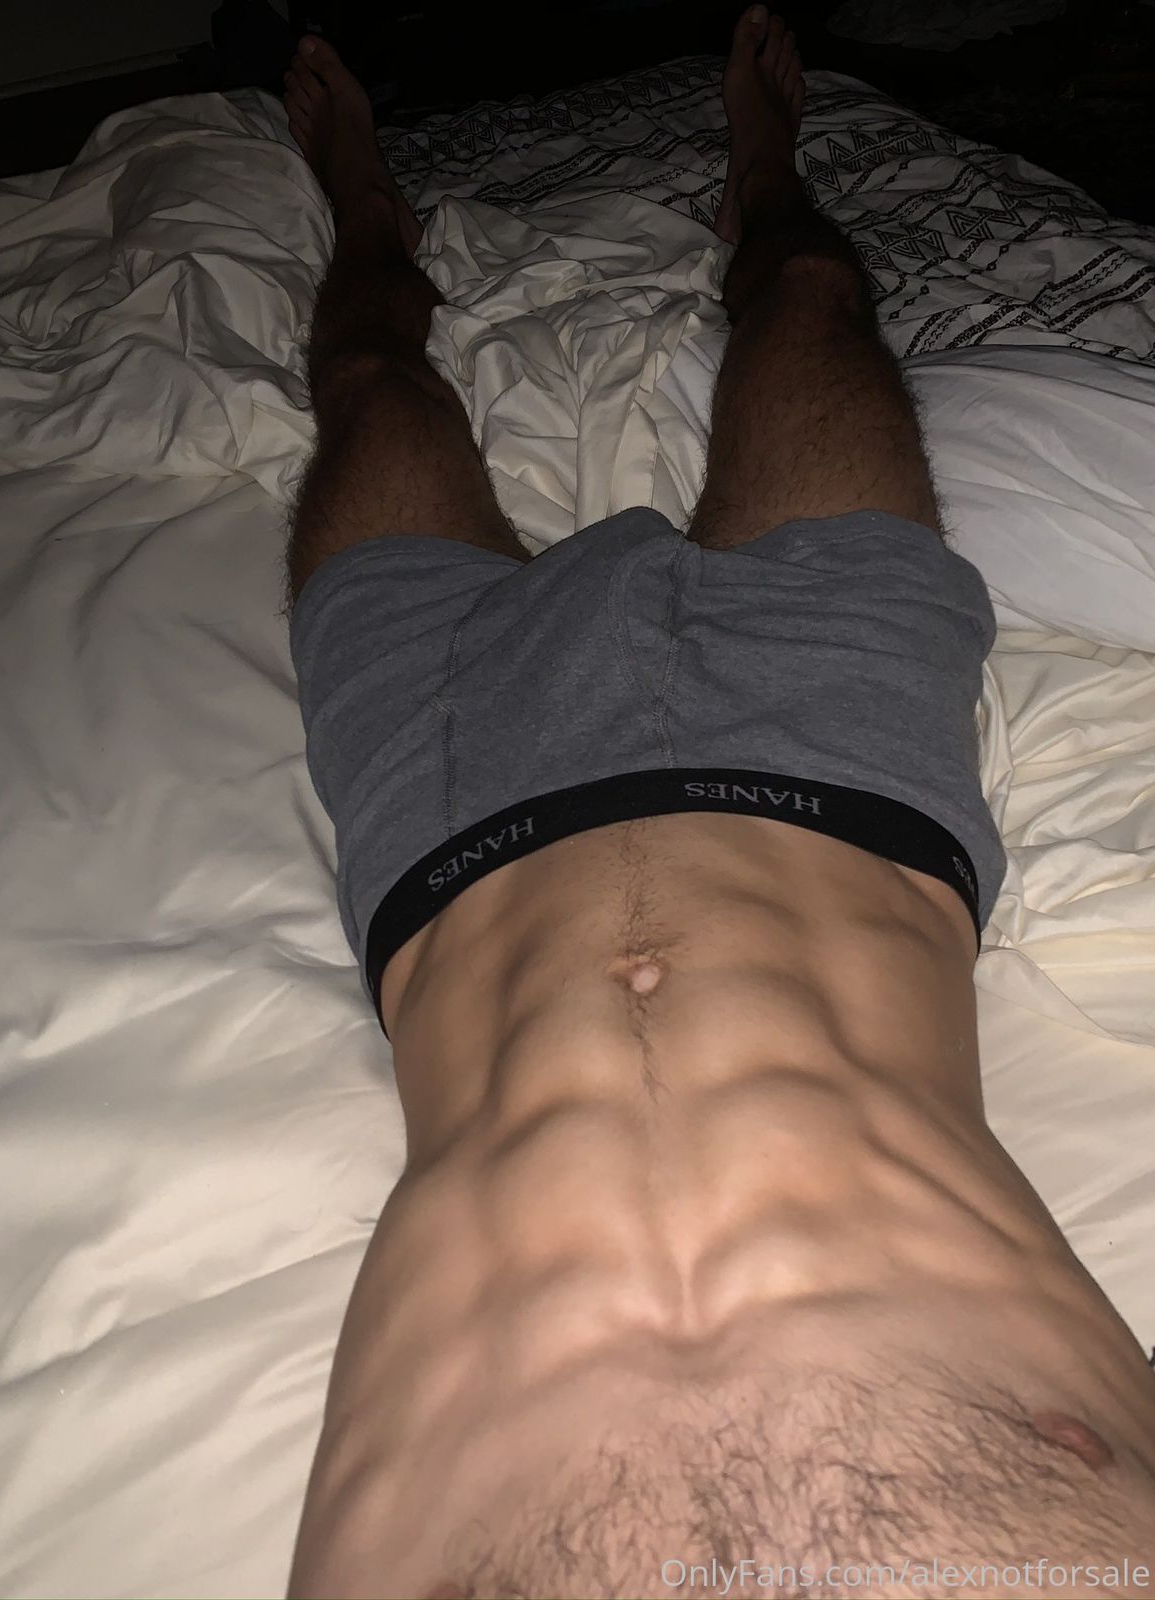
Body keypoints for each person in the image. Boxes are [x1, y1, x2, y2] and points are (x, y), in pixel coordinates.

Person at [280, 8, 1155, 1596]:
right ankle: (753, 190)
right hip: (839, 773)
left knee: (365, 388)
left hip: (452, 819)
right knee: (813, 302)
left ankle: (367, 223)